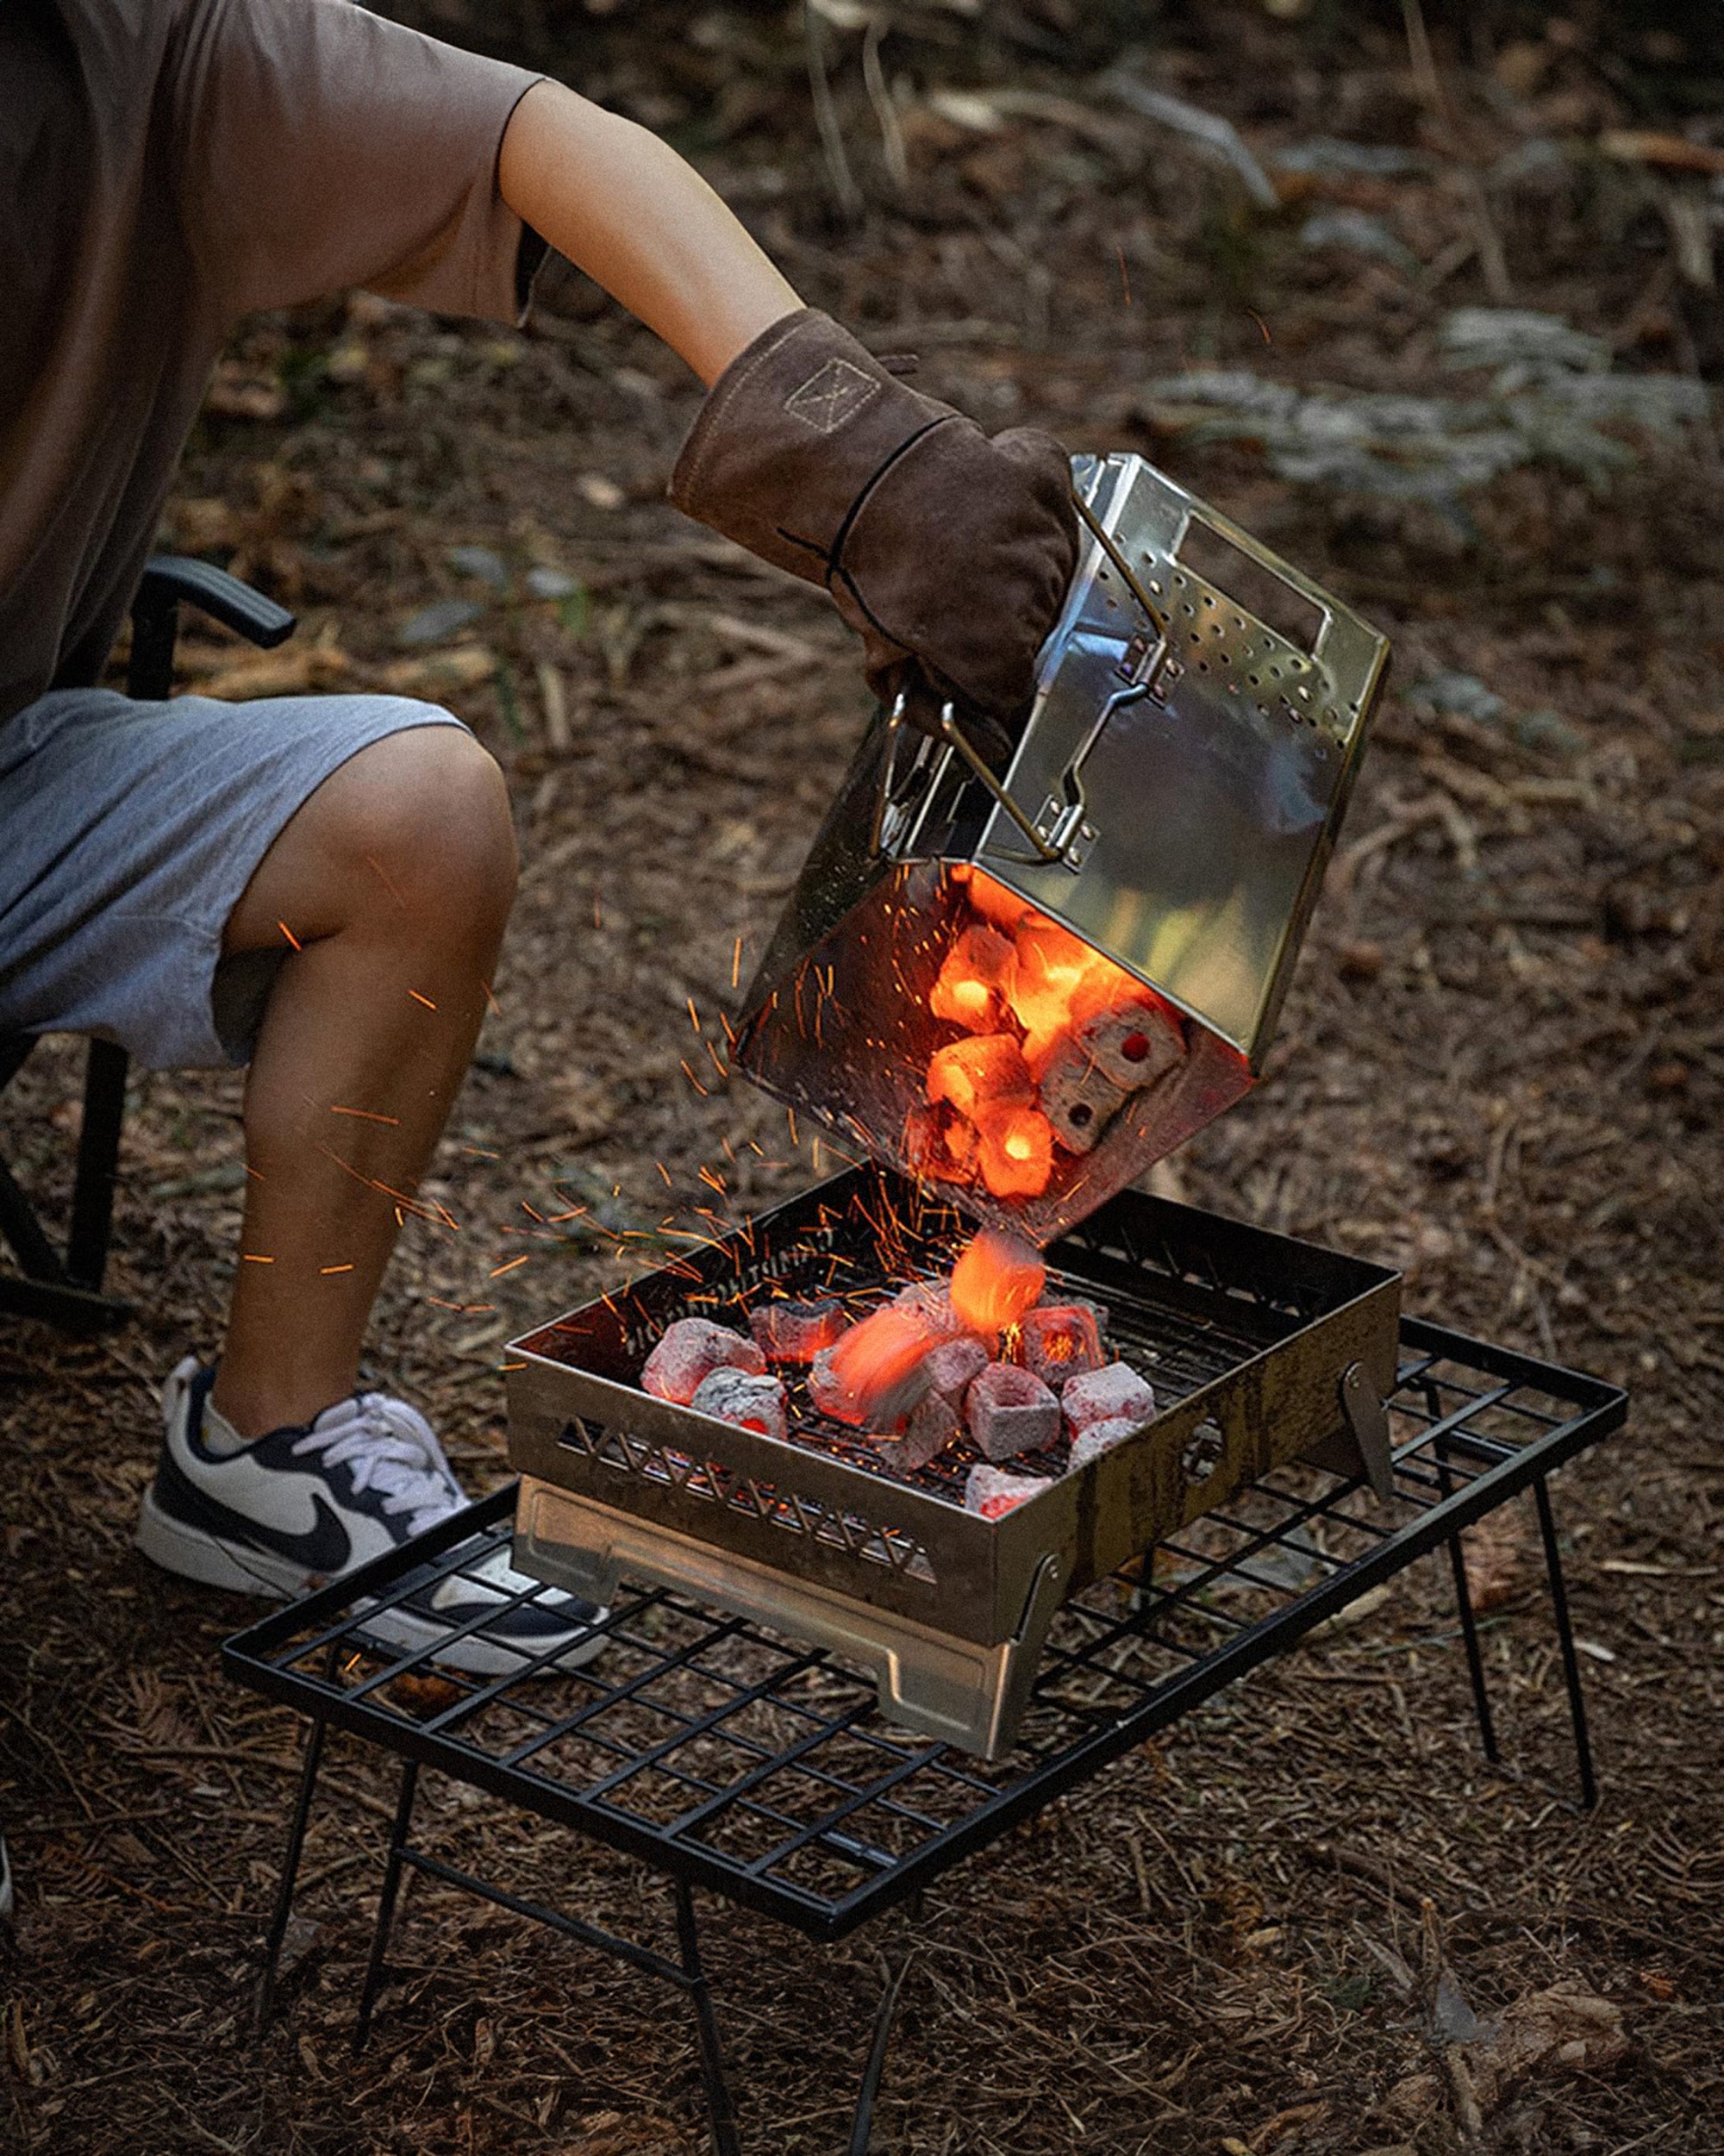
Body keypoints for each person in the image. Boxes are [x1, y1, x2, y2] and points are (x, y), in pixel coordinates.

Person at [0, 0, 1078, 1682]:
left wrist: (860, 453)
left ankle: (264, 1441)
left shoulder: (149, 59)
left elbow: (533, 142)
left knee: (413, 817)